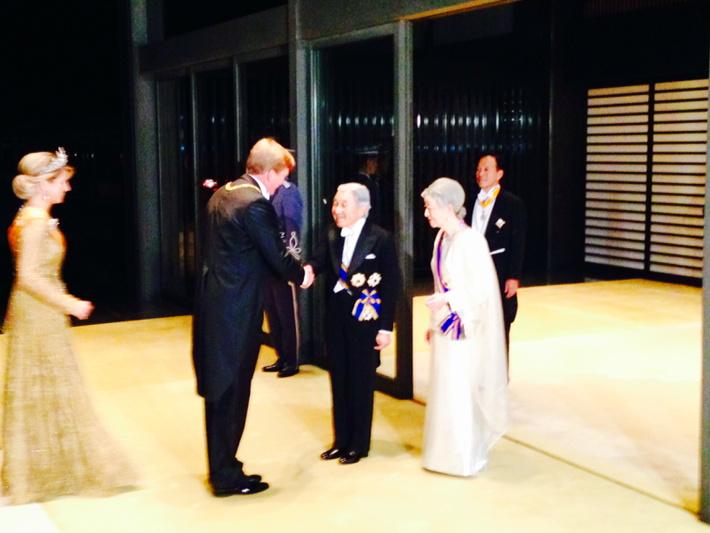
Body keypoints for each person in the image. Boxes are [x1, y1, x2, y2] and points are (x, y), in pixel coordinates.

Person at [2, 148, 134, 504]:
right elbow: (28, 276)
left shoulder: (33, 216)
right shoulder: (33, 222)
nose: (68, 188)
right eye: (62, 181)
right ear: (45, 184)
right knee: (48, 381)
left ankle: (46, 466)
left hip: (40, 310)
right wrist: (70, 303)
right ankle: (46, 470)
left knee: (46, 382)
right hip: (38, 311)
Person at [192, 138, 311, 496]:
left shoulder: (223, 194)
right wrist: (302, 274)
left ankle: (221, 465)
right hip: (237, 310)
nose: (281, 185)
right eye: (282, 177)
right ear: (270, 171)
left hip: (214, 302)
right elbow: (277, 256)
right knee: (233, 390)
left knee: (219, 390)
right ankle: (226, 476)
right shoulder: (255, 204)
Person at [306, 183, 399, 465]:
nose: (337, 210)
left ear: (363, 208)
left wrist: (386, 327)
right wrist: (305, 271)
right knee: (339, 379)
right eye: (335, 204)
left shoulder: (380, 238)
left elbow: (391, 284)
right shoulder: (332, 233)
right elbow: (317, 262)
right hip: (336, 317)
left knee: (361, 381)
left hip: (365, 320)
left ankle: (359, 444)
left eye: (343, 204)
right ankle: (341, 440)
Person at [421, 177, 508, 477]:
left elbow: (481, 290)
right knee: (444, 389)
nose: (426, 213)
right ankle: (442, 454)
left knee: (459, 389)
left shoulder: (471, 241)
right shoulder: (441, 239)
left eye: (430, 207)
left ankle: (464, 456)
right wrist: (434, 321)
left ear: (448, 207)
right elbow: (440, 283)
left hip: (465, 328)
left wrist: (448, 300)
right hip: (444, 326)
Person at [467, 154, 526, 357]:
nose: (481, 173)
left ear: (499, 174)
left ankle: (499, 371)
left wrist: (513, 276)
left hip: (499, 273)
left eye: (486, 169)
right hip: (473, 275)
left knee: (499, 327)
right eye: (478, 169)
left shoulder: (512, 204)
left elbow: (517, 243)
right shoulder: (471, 201)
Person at [261, 179, 304, 378]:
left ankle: (292, 360)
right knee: (273, 313)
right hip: (267, 263)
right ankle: (281, 356)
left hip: (283, 263)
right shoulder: (266, 192)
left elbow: (292, 230)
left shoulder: (288, 193)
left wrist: (291, 266)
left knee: (287, 316)